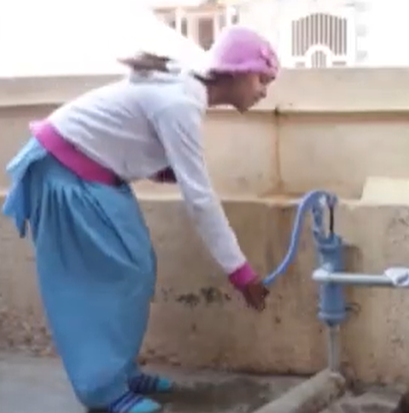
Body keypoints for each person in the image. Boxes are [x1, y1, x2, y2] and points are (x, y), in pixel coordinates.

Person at [2, 26, 277, 413]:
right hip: (64, 173)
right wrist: (241, 273)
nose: (264, 90)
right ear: (236, 70)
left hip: (91, 174)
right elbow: (200, 199)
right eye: (262, 78)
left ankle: (121, 372)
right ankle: (103, 390)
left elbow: (131, 136)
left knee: (138, 268)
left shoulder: (185, 89)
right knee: (101, 285)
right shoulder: (180, 103)